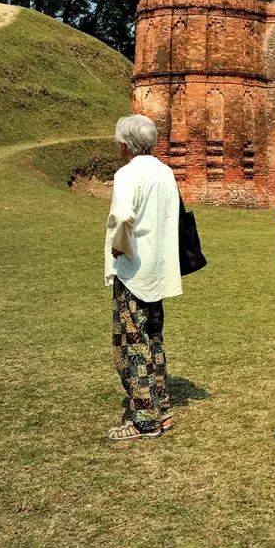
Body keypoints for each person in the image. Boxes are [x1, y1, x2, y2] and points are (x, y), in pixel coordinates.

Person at [104, 115, 182, 441]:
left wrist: (121, 246)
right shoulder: (166, 172)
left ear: (125, 145)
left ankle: (145, 420)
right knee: (153, 339)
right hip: (159, 268)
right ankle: (162, 409)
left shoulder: (127, 174)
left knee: (132, 344)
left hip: (134, 271)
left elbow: (123, 216)